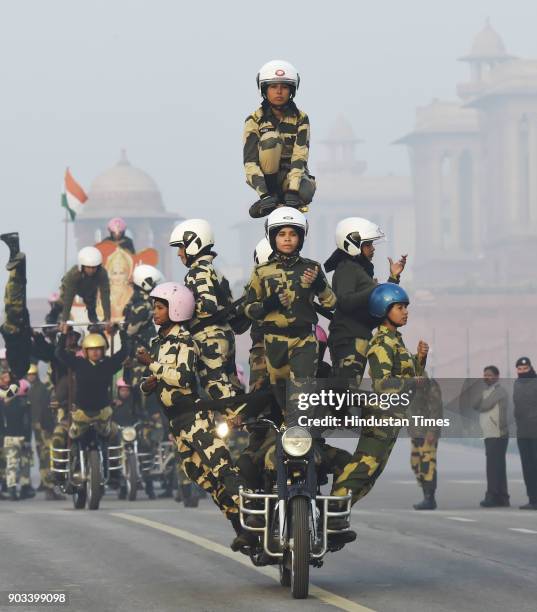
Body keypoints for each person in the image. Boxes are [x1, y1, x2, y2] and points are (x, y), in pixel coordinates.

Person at [136, 281, 254, 550]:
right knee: (206, 480)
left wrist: (152, 365)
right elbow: (151, 381)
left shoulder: (185, 342)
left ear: (176, 309)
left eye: (159, 308)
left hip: (195, 419)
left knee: (223, 470)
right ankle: (243, 530)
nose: (154, 313)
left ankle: (256, 514)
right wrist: (147, 383)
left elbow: (183, 376)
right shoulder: (157, 343)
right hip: (176, 425)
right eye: (154, 307)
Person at [332, 283, 428, 505]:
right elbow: (382, 384)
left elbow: (408, 374)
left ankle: (337, 514)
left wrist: (420, 360)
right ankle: (332, 509)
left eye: (405, 307)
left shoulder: (396, 341)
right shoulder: (382, 343)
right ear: (384, 311)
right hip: (380, 417)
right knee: (362, 469)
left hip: (392, 417)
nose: (405, 312)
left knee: (370, 475)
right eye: (399, 307)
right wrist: (413, 382)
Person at [244, 207, 336, 422]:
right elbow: (249, 309)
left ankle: (302, 447)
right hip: (274, 343)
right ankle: (290, 447)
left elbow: (331, 303)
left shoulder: (313, 268)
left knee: (301, 402)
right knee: (283, 403)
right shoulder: (261, 272)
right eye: (282, 234)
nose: (287, 240)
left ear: (301, 238)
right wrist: (269, 304)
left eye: (293, 234)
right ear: (273, 237)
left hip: (304, 341)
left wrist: (320, 284)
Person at [324, 217, 407, 388]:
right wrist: (374, 288)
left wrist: (393, 279)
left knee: (348, 394)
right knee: (344, 398)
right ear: (353, 245)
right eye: (368, 244)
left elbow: (377, 305)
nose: (372, 249)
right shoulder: (347, 267)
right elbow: (345, 301)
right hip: (348, 339)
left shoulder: (359, 269)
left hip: (358, 338)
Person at [169, 219, 242, 405]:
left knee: (215, 386)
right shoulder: (216, 271)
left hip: (209, 338)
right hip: (226, 335)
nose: (178, 253)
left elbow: (207, 306)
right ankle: (251, 422)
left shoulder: (197, 272)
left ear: (194, 244)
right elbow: (230, 308)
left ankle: (238, 420)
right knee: (234, 387)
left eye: (181, 247)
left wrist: (178, 308)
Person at [245, 60, 316, 218]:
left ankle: (278, 201)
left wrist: (293, 189)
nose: (279, 92)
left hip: (292, 174)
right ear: (265, 90)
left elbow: (300, 156)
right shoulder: (254, 120)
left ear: (291, 90)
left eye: (284, 87)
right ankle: (270, 197)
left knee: (307, 191)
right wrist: (264, 194)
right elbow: (250, 163)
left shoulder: (301, 118)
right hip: (267, 176)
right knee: (270, 139)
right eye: (273, 87)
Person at [53, 324, 128, 456]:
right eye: (91, 349)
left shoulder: (108, 364)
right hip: (81, 413)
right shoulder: (78, 363)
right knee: (71, 436)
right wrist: (64, 334)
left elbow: (124, 351)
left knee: (115, 434)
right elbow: (59, 353)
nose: (95, 352)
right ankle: (73, 461)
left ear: (103, 350)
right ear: (85, 351)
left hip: (103, 414)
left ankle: (115, 469)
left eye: (98, 349)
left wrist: (121, 331)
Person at [123, 264, 163, 407]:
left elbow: (130, 330)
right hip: (139, 352)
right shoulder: (143, 301)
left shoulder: (143, 304)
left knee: (140, 388)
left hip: (141, 353)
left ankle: (146, 419)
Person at [472, 366, 510, 507]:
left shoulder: (500, 391)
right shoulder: (487, 391)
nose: (487, 377)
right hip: (489, 433)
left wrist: (484, 396)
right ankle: (503, 497)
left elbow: (484, 406)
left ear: (497, 376)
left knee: (493, 466)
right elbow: (474, 405)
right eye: (485, 375)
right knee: (498, 466)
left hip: (498, 433)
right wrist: (482, 391)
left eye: (490, 375)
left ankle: (492, 496)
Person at [408, 376, 443, 510]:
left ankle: (429, 498)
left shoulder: (430, 384)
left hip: (427, 432)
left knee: (427, 465)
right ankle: (425, 495)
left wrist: (433, 430)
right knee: (416, 463)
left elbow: (436, 408)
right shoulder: (409, 384)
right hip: (416, 432)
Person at [0, 233, 32, 380]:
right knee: (15, 288)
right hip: (16, 325)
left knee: (12, 289)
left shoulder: (17, 368)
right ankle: (16, 250)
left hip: (16, 325)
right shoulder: (19, 369)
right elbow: (16, 346)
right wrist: (7, 332)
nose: (3, 379)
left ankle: (14, 250)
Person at [26, 363, 59, 498]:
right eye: (29, 375)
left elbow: (42, 409)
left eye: (32, 375)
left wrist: (41, 423)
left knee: (47, 456)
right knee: (43, 456)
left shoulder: (40, 389)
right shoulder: (32, 389)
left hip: (43, 427)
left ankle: (48, 486)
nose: (30, 377)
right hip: (38, 428)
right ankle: (46, 485)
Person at [0, 373, 33, 500]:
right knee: (25, 463)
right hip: (22, 437)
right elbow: (27, 423)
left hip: (8, 438)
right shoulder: (24, 405)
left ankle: (12, 489)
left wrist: (3, 436)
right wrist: (28, 439)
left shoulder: (3, 404)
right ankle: (25, 487)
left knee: (11, 464)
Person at [58, 246, 111, 323]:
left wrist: (107, 318)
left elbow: (105, 295)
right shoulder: (73, 275)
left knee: (91, 305)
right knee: (61, 303)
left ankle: (93, 320)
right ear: (82, 266)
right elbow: (68, 298)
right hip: (69, 288)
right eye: (88, 267)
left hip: (89, 289)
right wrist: (64, 320)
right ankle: (55, 317)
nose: (91, 270)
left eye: (94, 267)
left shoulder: (102, 273)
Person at [513, 357, 537, 510]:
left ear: (530, 368)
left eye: (525, 369)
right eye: (519, 369)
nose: (522, 372)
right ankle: (532, 499)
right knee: (527, 467)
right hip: (522, 431)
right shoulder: (517, 384)